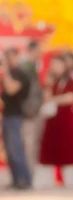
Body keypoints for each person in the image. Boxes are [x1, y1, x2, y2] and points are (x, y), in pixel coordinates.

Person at [34, 54, 73, 189]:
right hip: (52, 120)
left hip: (66, 119)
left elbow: (70, 98)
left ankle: (71, 180)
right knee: (49, 148)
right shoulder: (50, 81)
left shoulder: (70, 81)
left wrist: (55, 100)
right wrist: (49, 85)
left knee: (67, 149)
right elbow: (46, 98)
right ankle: (46, 180)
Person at [0, 47, 32, 189]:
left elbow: (11, 89)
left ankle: (24, 179)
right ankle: (15, 180)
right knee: (9, 150)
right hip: (6, 115)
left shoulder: (20, 74)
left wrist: (5, 72)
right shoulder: (10, 73)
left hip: (16, 116)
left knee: (16, 148)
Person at [19, 38, 44, 171]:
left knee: (32, 143)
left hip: (33, 109)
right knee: (29, 143)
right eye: (39, 50)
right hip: (28, 110)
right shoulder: (26, 66)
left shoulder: (33, 66)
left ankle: (30, 172)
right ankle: (28, 173)